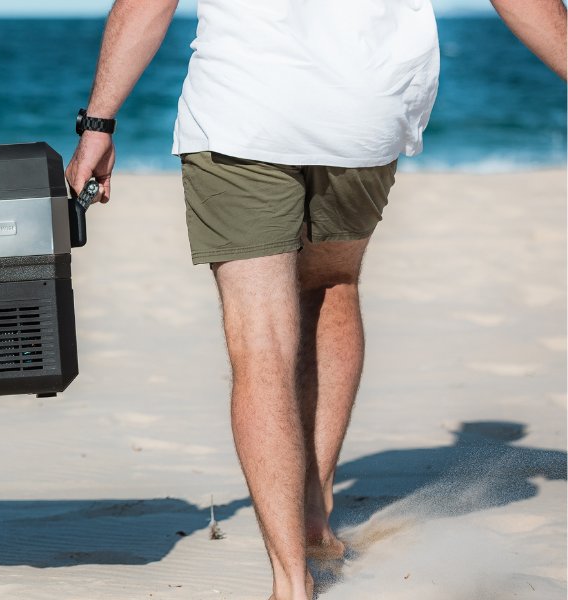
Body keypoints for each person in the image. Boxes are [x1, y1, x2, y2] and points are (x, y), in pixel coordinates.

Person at [64, 1, 565, 599]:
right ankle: (313, 516)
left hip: (242, 111)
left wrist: (98, 124)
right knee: (332, 284)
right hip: (363, 109)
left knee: (260, 344)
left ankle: (291, 582)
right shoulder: (525, 471)